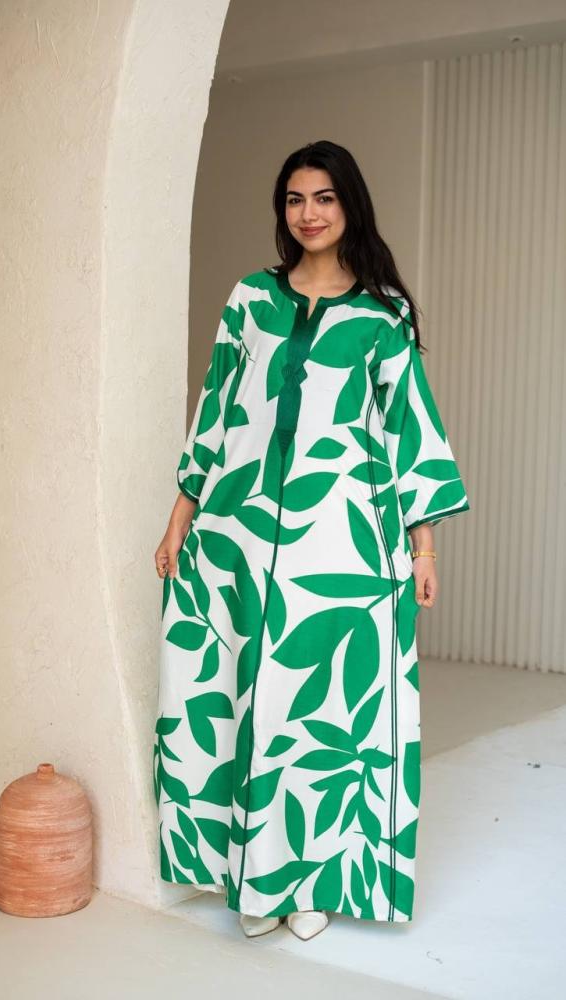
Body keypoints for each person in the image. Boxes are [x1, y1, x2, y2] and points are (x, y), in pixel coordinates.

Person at [152, 139, 470, 942]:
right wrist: (181, 514)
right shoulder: (250, 300)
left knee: (318, 707)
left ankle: (311, 881)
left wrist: (423, 549)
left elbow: (408, 434)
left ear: (348, 204)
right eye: (295, 199)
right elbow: (215, 409)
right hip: (238, 532)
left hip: (340, 544)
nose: (309, 213)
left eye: (324, 197)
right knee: (243, 698)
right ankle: (255, 878)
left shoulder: (382, 316)